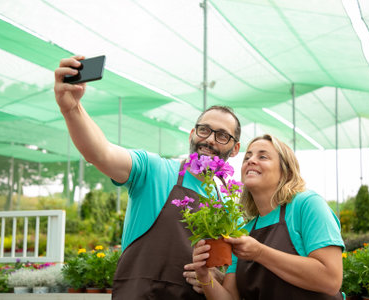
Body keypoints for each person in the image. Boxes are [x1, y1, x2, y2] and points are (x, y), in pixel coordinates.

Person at [54, 55, 241, 299]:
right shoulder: (154, 170)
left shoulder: (224, 203)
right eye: (204, 130)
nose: (209, 140)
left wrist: (214, 277)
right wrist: (71, 108)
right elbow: (101, 153)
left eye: (222, 136)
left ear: (235, 149)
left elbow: (221, 268)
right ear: (191, 134)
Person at [191, 134, 345, 300]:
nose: (251, 160)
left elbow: (331, 280)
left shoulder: (306, 205)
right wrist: (205, 277)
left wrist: (259, 253)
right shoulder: (244, 231)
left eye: (262, 156)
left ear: (285, 170)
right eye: (247, 157)